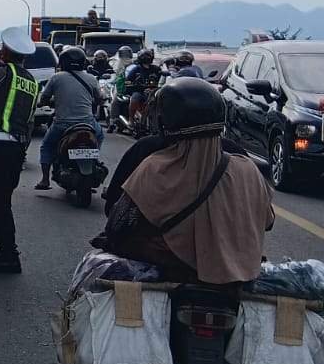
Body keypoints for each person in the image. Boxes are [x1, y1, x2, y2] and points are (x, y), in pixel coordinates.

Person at [93, 77, 272, 284]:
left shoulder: (153, 164)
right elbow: (268, 222)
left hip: (175, 266)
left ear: (164, 120)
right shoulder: (246, 165)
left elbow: (117, 224)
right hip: (241, 270)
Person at [0, 27, 41, 275]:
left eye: (2, 49)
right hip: (15, 148)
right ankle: (6, 252)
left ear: (6, 53)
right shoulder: (31, 81)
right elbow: (31, 122)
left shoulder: (3, 72)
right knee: (2, 202)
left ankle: (8, 255)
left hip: (0, 147)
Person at [34, 46, 104, 191]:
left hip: (63, 124)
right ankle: (93, 161)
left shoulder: (56, 77)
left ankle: (45, 180)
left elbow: (44, 98)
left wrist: (44, 102)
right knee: (99, 136)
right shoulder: (91, 78)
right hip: (88, 123)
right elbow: (99, 99)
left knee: (46, 146)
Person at [124, 48, 162, 128]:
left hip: (154, 91)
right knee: (134, 98)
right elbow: (127, 81)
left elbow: (162, 79)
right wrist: (134, 85)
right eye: (143, 56)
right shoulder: (136, 69)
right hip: (140, 91)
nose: (146, 58)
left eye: (148, 55)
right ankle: (131, 119)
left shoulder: (156, 69)